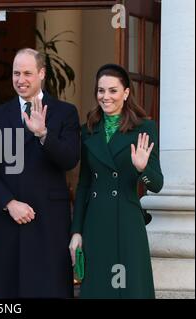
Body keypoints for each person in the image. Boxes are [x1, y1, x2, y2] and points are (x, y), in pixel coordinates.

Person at [0, 48, 80, 298]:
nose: (20, 79)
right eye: (16, 73)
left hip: (49, 220)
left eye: (27, 73)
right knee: (9, 291)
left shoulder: (65, 112)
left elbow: (70, 159)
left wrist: (44, 135)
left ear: (41, 73)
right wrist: (8, 203)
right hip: (10, 220)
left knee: (50, 289)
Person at [69, 64, 164, 298]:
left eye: (113, 90)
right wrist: (76, 231)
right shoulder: (88, 130)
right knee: (100, 288)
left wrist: (142, 168)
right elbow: (84, 185)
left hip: (127, 222)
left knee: (130, 289)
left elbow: (157, 184)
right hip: (95, 222)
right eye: (101, 91)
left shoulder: (144, 128)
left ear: (126, 93)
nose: (106, 96)